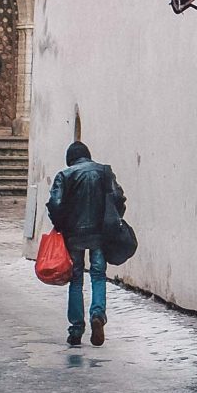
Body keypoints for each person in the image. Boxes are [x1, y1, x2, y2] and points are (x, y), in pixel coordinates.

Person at [47, 140, 126, 348]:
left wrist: (60, 224)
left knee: (76, 280)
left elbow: (55, 204)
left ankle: (76, 329)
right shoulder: (104, 172)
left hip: (74, 236)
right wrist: (112, 219)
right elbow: (119, 197)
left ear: (70, 159)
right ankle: (98, 315)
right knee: (98, 275)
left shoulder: (65, 176)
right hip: (100, 234)